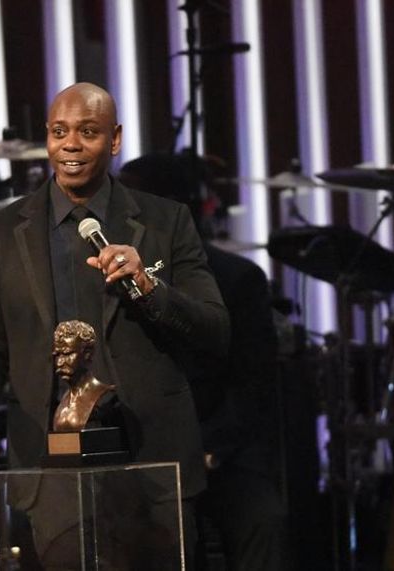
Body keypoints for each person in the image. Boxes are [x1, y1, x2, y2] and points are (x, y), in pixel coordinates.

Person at [0, 82, 230, 564]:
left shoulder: (167, 223)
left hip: (151, 458)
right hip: (51, 463)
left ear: (115, 139)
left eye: (87, 131)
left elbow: (214, 332)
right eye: (60, 132)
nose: (71, 145)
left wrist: (146, 285)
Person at [120, 152, 290, 570]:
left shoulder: (237, 280)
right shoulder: (109, 282)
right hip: (141, 456)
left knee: (263, 521)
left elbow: (253, 387)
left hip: (220, 452)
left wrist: (206, 450)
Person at [50, 320, 117, 432]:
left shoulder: (104, 397)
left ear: (87, 354)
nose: (60, 362)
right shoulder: (63, 400)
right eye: (57, 355)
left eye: (67, 354)